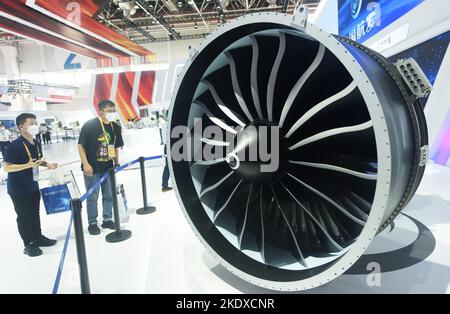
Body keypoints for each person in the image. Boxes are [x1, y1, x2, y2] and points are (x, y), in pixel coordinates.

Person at [2, 113, 58, 257]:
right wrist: (26, 165)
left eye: (35, 123)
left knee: (34, 214)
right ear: (21, 127)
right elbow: (7, 167)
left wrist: (48, 164)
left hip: (33, 184)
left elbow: (37, 160)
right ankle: (28, 244)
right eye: (31, 123)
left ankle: (38, 237)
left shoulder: (35, 142)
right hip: (18, 188)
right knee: (24, 216)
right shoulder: (14, 146)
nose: (35, 126)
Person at [78, 100, 124, 235]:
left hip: (108, 167)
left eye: (113, 110)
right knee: (92, 196)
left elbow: (115, 147)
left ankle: (107, 219)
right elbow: (81, 146)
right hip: (92, 168)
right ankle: (92, 223)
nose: (112, 113)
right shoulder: (89, 125)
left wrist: (117, 163)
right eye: (109, 111)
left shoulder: (116, 127)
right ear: (101, 111)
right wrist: (86, 164)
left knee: (108, 194)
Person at [159, 116, 173, 192]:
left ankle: (165, 185)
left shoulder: (164, 125)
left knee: (168, 166)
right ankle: (165, 185)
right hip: (171, 146)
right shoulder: (170, 124)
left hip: (166, 146)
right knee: (168, 167)